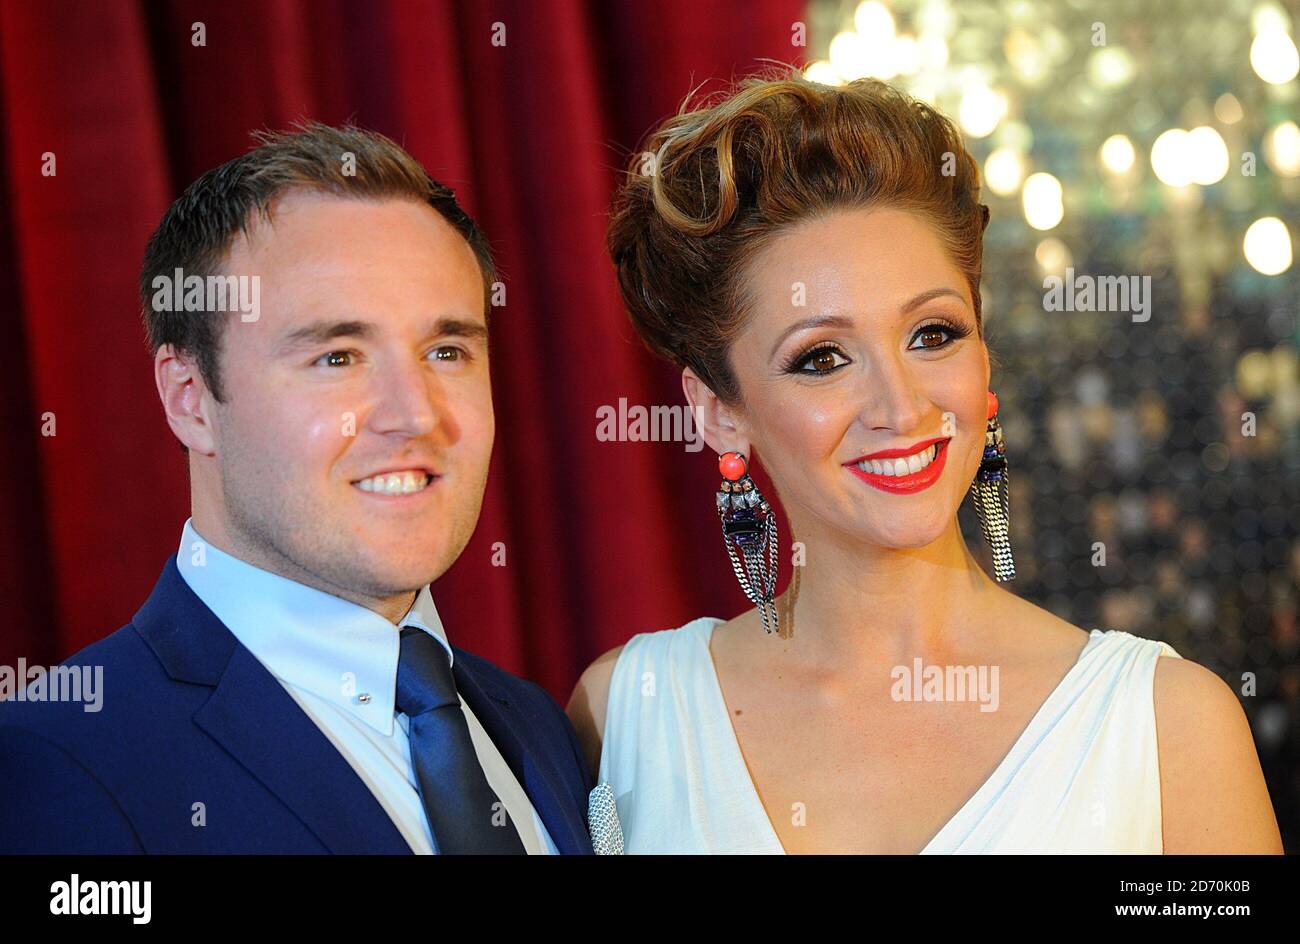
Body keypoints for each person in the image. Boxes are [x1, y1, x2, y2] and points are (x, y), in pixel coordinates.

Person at [567, 71, 1283, 854]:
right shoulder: (627, 717)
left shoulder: (1167, 725)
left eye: (932, 334)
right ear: (719, 413)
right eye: (822, 358)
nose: (901, 408)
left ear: (984, 360)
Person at [0, 123, 593, 854]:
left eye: (447, 351)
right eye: (337, 356)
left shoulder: (540, 727)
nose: (416, 415)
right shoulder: (53, 763)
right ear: (190, 397)